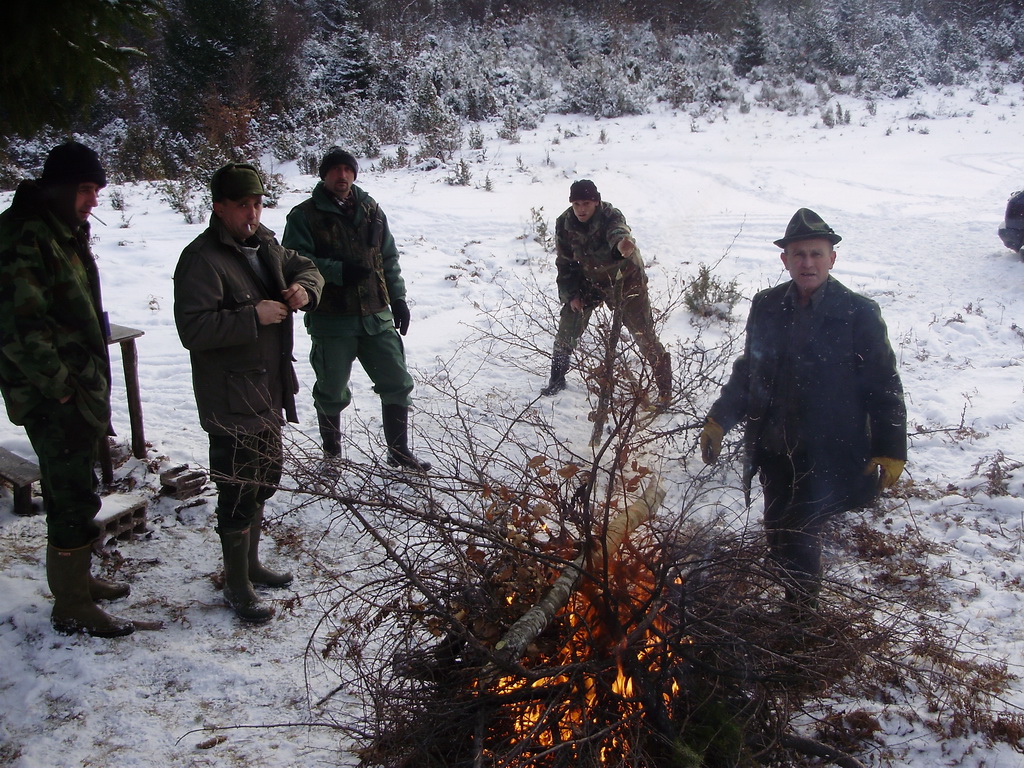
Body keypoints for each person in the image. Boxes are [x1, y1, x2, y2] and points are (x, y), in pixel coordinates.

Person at [699, 208, 907, 612]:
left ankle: (801, 616)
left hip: (827, 448)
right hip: (775, 444)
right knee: (778, 527)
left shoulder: (858, 313)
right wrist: (720, 418)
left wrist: (890, 447)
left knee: (797, 532)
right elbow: (750, 369)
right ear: (785, 260)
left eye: (815, 254)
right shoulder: (767, 304)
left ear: (832, 258)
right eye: (798, 255)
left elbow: (883, 383)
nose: (807, 263)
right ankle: (792, 589)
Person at [0, 142, 144, 637]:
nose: (94, 201)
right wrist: (60, 389)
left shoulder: (61, 230)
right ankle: (71, 605)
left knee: (79, 491)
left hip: (77, 390)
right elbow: (20, 328)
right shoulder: (24, 237)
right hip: (52, 396)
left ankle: (78, 585)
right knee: (67, 497)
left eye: (97, 190)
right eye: (86, 189)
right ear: (59, 188)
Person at [174, 162, 323, 624]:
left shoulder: (266, 244)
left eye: (258, 203)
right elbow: (192, 328)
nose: (253, 213)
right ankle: (236, 584)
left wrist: (304, 290)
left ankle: (252, 565)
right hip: (230, 399)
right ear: (219, 207)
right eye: (243, 205)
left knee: (265, 479)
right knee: (237, 490)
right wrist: (250, 317)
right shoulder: (201, 259)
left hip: (267, 391)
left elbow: (309, 267)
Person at [282, 147, 431, 471]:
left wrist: (399, 299)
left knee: (397, 381)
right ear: (324, 175)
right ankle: (332, 457)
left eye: (347, 169)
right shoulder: (304, 215)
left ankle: (399, 452)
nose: (342, 175)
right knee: (331, 390)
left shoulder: (371, 210)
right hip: (332, 320)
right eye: (334, 170)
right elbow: (292, 261)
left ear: (354, 174)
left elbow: (387, 258)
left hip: (375, 316)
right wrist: (336, 270)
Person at [540, 179, 671, 402]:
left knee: (643, 334)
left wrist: (622, 245)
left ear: (597, 203)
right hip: (590, 278)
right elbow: (565, 262)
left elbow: (618, 232)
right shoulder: (565, 222)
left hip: (625, 278)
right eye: (577, 204)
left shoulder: (610, 215)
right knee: (568, 324)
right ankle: (557, 379)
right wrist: (572, 294)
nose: (582, 209)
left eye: (587, 203)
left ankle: (664, 390)